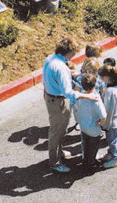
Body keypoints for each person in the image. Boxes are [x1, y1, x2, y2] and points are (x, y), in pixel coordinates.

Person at [42, 37, 82, 173]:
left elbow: (45, 78)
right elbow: (68, 91)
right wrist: (83, 95)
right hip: (58, 101)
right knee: (57, 132)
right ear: (69, 52)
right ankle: (55, 162)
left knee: (58, 129)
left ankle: (58, 153)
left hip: (50, 97)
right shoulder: (61, 68)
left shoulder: (50, 59)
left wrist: (71, 74)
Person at [74, 73, 106, 169]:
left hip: (83, 126)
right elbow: (103, 115)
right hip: (93, 128)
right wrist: (102, 124)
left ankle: (85, 159)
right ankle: (91, 164)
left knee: (86, 144)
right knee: (93, 147)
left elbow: (76, 111)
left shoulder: (79, 97)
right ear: (95, 84)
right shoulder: (96, 98)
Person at [97, 65, 117, 168]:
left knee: (112, 140)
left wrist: (105, 123)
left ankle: (115, 158)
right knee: (111, 139)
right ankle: (111, 154)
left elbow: (109, 110)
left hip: (111, 122)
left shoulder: (109, 91)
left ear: (107, 77)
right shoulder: (113, 87)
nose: (100, 79)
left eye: (101, 77)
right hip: (113, 120)